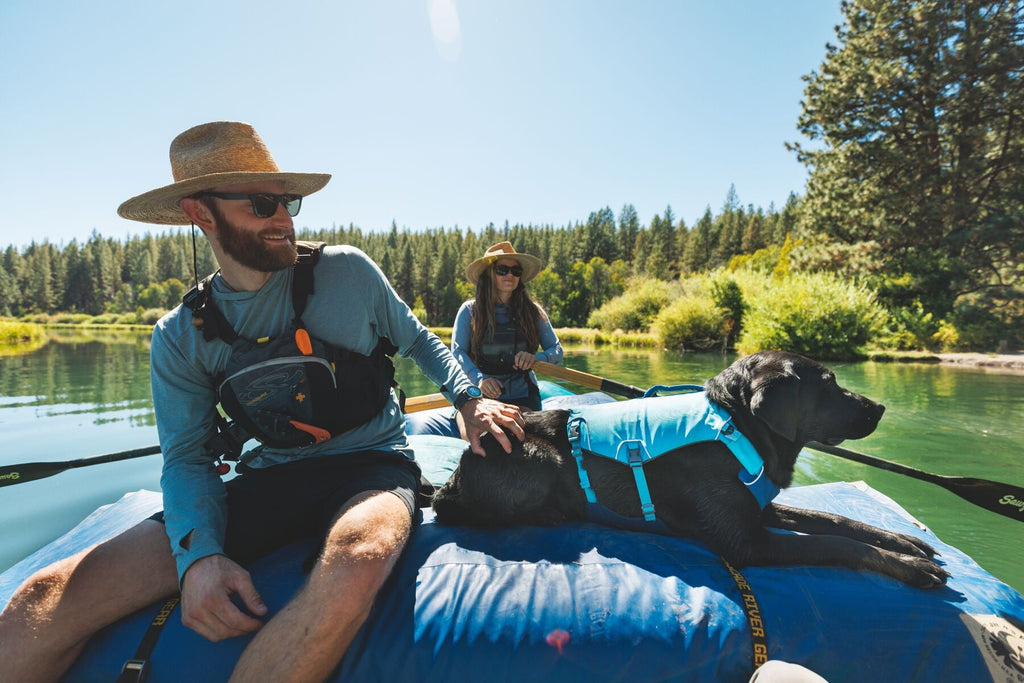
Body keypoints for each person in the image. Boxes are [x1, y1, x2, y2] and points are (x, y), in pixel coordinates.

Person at [0, 121, 525, 682]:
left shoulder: (348, 271)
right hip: (267, 477)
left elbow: (420, 339)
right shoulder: (179, 336)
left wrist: (468, 401)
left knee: (359, 560)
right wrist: (198, 558)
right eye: (262, 203)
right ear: (201, 213)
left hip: (372, 463)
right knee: (42, 597)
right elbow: (187, 460)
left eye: (287, 201)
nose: (285, 218)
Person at [453, 241, 563, 411]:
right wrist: (479, 379)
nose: (510, 275)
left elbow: (556, 351)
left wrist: (535, 358)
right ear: (489, 274)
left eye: (516, 271)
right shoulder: (469, 311)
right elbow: (457, 352)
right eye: (502, 270)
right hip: (482, 395)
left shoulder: (534, 312)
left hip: (524, 396)